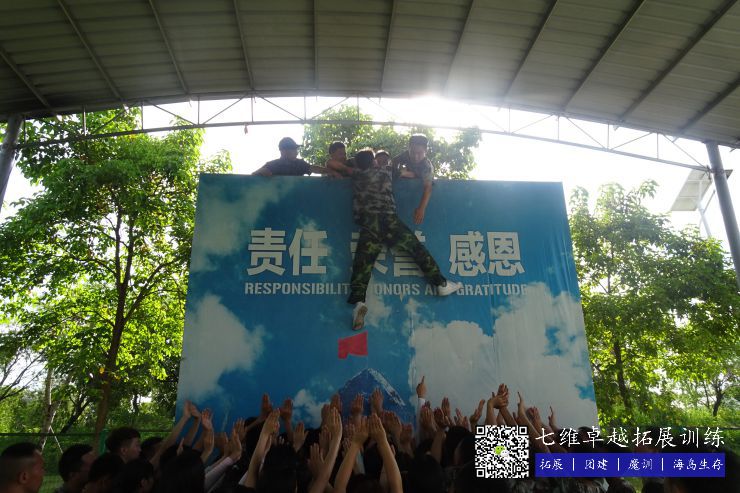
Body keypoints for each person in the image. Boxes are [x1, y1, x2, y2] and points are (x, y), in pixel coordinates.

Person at [348, 149, 462, 330]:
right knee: (416, 250)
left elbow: (335, 166)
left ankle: (359, 303)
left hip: (368, 223)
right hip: (389, 220)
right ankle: (441, 284)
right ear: (374, 162)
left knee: (362, 264)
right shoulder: (386, 170)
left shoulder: (356, 174)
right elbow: (411, 174)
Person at [392, 134, 435, 224]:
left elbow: (428, 188)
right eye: (412, 153)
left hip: (421, 178)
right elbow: (394, 161)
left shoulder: (427, 166)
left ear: (426, 151)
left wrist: (421, 209)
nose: (415, 157)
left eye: (419, 153)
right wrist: (397, 172)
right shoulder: (405, 155)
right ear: (409, 149)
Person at [252, 137, 334, 177]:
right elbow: (252, 177)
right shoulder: (272, 165)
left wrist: (330, 171)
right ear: (284, 151)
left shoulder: (300, 164)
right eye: (293, 149)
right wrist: (260, 172)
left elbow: (314, 168)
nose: (296, 153)